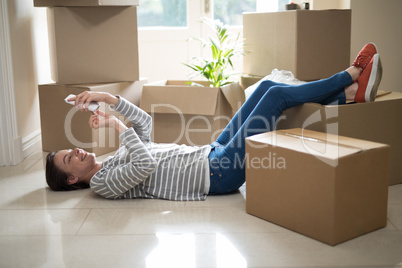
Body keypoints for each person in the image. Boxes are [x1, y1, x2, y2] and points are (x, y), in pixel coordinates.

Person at [46, 43, 382, 201]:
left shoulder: (111, 161)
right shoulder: (103, 186)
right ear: (72, 178)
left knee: (266, 86)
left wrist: (111, 102)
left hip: (212, 152)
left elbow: (145, 126)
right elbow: (145, 164)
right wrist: (117, 129)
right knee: (276, 98)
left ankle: (345, 97)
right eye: (68, 157)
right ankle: (349, 76)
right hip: (219, 174)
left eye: (70, 150)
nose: (76, 151)